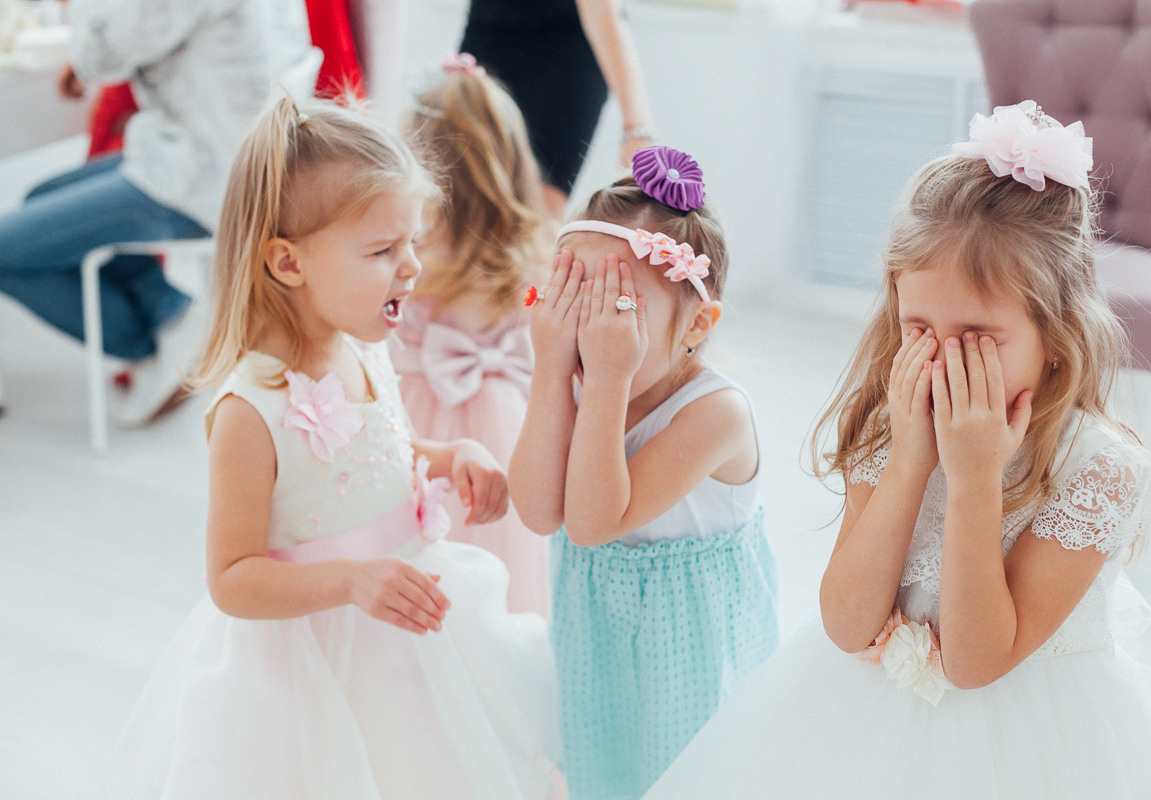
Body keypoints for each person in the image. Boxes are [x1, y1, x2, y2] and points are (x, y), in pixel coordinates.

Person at [645, 101, 1151, 799]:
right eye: (918, 328)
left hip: (1032, 749)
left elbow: (975, 661)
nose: (940, 362)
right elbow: (848, 625)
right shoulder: (896, 423)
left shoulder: (1100, 472)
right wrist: (910, 461)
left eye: (977, 336)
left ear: (1056, 336)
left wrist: (973, 480)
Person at [102, 97, 559, 798]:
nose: (411, 268)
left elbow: (379, 459)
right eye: (382, 251)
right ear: (287, 262)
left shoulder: (362, 347)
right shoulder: (250, 413)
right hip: (312, 660)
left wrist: (452, 453)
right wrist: (351, 581)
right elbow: (232, 577)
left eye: (411, 242)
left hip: (408, 627)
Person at [509, 145, 779, 800]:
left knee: (685, 780)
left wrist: (604, 378)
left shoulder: (716, 415)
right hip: (597, 639)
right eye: (575, 295)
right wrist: (550, 370)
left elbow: (596, 522)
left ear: (696, 326)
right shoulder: (573, 384)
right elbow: (541, 512)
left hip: (689, 649)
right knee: (603, 773)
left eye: (618, 308)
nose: (590, 327)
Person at [0, 0, 319, 427]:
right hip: (235, 151)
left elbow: (101, 54)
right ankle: (165, 307)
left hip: (205, 172)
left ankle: (142, 342)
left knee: (6, 249)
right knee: (40, 196)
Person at [390, 55, 555, 616]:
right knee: (504, 572)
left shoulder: (408, 260)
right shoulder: (536, 262)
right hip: (511, 426)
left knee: (415, 551)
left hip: (416, 426)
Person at [460, 0, 654, 218]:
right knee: (464, 202)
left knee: (535, 216)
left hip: (564, 55)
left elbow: (603, 10)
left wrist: (635, 128)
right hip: (488, 33)